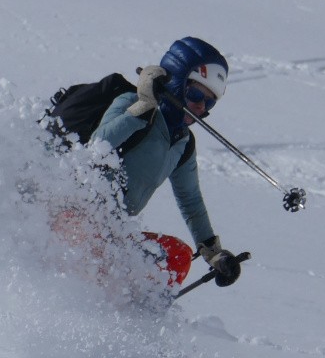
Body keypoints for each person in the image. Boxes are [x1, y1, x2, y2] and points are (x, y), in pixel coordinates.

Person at [85, 37, 243, 288]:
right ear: (177, 85)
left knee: (177, 256)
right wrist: (144, 106)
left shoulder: (183, 143)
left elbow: (190, 200)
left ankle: (132, 310)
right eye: (195, 94)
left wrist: (214, 253)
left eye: (210, 102)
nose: (201, 107)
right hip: (74, 216)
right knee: (95, 250)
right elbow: (98, 146)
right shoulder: (132, 104)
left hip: (109, 233)